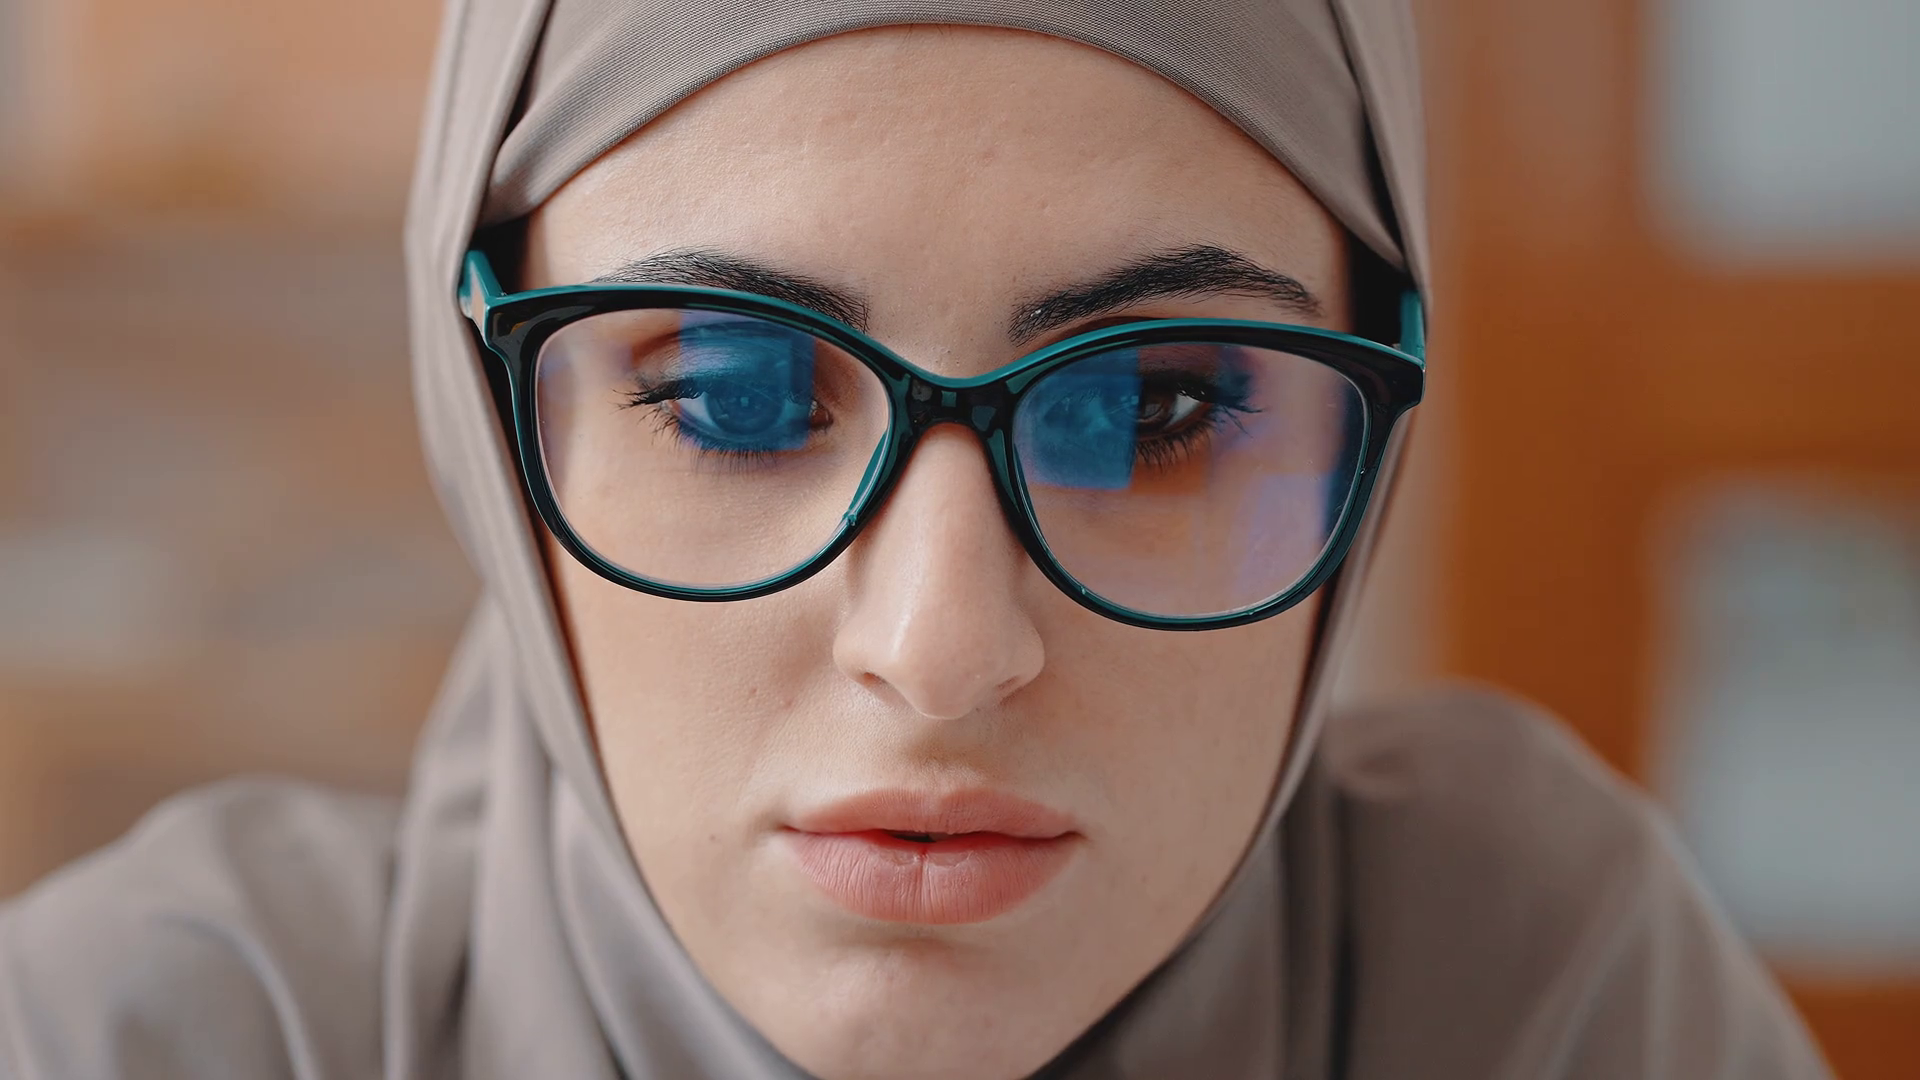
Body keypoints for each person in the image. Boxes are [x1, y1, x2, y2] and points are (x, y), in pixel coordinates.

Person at [0, 2, 1832, 1078]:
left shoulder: (1542, 998)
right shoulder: (145, 1039)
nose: (944, 650)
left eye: (1153, 410)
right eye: (732, 396)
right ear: (485, 414)